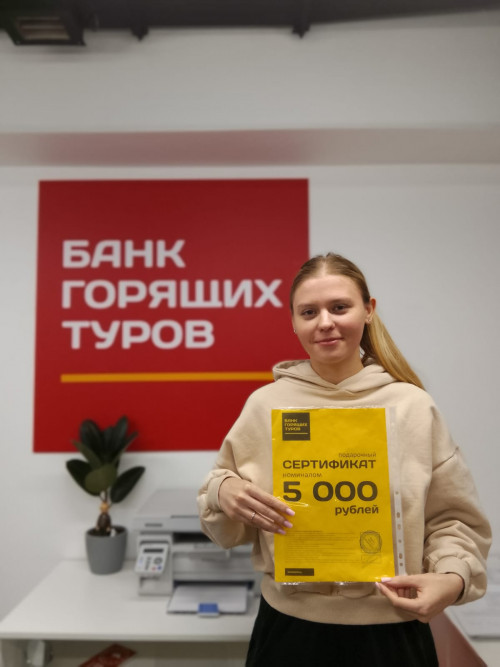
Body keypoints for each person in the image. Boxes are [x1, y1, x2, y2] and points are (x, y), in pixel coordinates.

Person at [197, 253, 491, 666]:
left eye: (339, 307)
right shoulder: (265, 407)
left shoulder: (412, 407)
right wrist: (222, 490)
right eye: (309, 312)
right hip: (288, 632)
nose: (325, 322)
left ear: (368, 311)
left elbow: (453, 520)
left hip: (393, 631)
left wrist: (453, 577)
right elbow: (227, 526)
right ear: (293, 322)